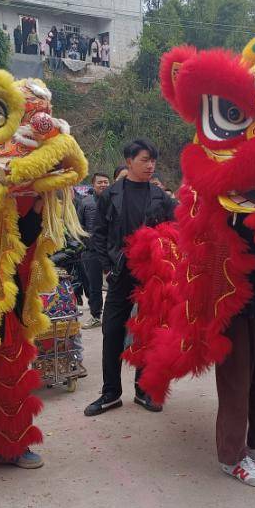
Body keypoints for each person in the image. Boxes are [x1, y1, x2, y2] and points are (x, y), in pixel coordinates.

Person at [84, 139, 176, 416]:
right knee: (112, 331)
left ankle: (144, 390)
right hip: (120, 273)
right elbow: (98, 234)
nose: (150, 166)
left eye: (153, 161)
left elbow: (176, 229)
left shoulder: (160, 198)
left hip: (151, 276)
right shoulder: (110, 195)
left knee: (147, 332)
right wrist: (107, 268)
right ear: (129, 161)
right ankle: (111, 393)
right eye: (145, 160)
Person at [77, 172, 111, 329]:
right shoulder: (85, 203)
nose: (103, 185)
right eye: (100, 182)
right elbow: (79, 226)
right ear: (93, 184)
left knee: (116, 284)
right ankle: (96, 315)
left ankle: (114, 315)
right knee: (94, 286)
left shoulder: (115, 201)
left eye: (106, 182)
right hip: (91, 252)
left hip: (112, 251)